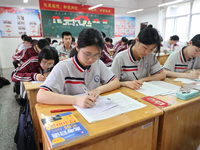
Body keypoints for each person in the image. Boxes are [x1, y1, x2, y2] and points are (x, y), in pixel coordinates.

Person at [37, 27, 120, 108]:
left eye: (97, 55)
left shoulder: (97, 63)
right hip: (72, 112)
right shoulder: (63, 67)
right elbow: (41, 95)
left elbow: (115, 82)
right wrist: (76, 100)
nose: (91, 59)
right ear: (77, 47)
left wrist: (98, 90)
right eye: (87, 54)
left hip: (93, 110)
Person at [111, 26, 166, 90]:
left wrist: (143, 79)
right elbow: (111, 82)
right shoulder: (120, 58)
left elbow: (162, 75)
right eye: (145, 48)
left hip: (142, 92)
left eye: (151, 49)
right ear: (137, 40)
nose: (147, 52)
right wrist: (125, 83)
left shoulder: (150, 56)